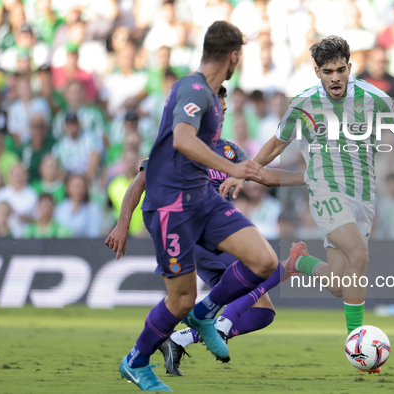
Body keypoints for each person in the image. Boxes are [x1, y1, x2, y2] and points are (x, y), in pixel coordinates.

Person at [222, 36, 394, 360]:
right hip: (325, 193)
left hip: (363, 196)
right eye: (327, 71)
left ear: (350, 67)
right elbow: (276, 145)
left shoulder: (374, 98)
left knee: (339, 284)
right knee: (359, 254)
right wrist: (241, 171)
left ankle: (300, 262)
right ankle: (358, 344)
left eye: (340, 69)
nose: (335, 77)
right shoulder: (303, 104)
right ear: (317, 72)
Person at [115, 21, 277, 391]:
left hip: (201, 198)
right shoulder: (192, 88)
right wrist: (232, 168)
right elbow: (183, 140)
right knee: (181, 298)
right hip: (170, 206)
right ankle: (136, 361)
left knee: (264, 261)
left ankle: (206, 313)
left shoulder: (209, 94)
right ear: (234, 56)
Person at [107, 83, 304, 384]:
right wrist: (122, 224)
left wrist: (308, 178)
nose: (220, 119)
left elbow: (263, 175)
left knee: (263, 312)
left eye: (224, 113)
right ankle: (197, 322)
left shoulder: (229, 151)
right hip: (192, 233)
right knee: (263, 268)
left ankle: (184, 335)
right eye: (217, 113)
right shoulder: (176, 144)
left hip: (216, 229)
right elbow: (139, 184)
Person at [54, 173, 103, 238]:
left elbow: (95, 234)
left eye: (80, 186)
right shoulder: (61, 207)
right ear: (67, 188)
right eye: (74, 186)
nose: (77, 190)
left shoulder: (93, 208)